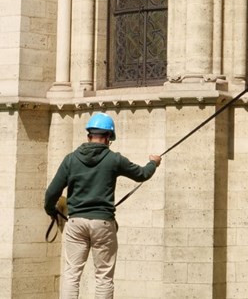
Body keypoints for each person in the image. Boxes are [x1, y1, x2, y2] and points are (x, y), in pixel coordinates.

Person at [44, 112, 161, 299]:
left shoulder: (70, 159)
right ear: (108, 137)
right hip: (103, 224)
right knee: (104, 277)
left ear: (88, 135)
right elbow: (142, 174)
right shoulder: (114, 159)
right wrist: (153, 163)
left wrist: (52, 211)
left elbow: (51, 193)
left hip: (76, 223)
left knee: (72, 275)